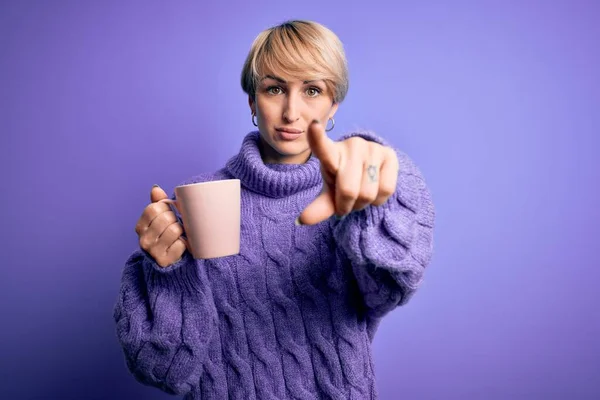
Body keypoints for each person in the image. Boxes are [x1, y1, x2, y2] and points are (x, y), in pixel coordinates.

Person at [113, 19, 435, 399]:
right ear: (252, 100)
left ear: (334, 104)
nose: (291, 112)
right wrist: (167, 274)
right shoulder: (195, 203)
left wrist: (376, 199)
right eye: (275, 88)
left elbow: (392, 288)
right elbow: (165, 370)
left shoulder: (352, 191)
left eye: (312, 90)